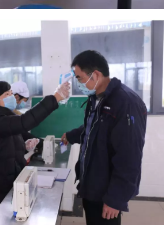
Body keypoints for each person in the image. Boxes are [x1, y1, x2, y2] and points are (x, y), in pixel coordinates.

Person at [61, 50, 147, 225]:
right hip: (91, 184)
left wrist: (115, 198)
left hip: (107, 191)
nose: (79, 83)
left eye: (79, 78)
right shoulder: (96, 98)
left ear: (96, 75)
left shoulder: (126, 102)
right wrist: (71, 136)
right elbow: (93, 128)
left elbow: (129, 156)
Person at [0, 79, 70, 218]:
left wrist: (24, 146)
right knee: (2, 219)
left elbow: (7, 146)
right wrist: (55, 98)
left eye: (11, 93)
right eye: (7, 94)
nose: (12, 97)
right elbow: (24, 122)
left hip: (11, 180)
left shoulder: (6, 117)